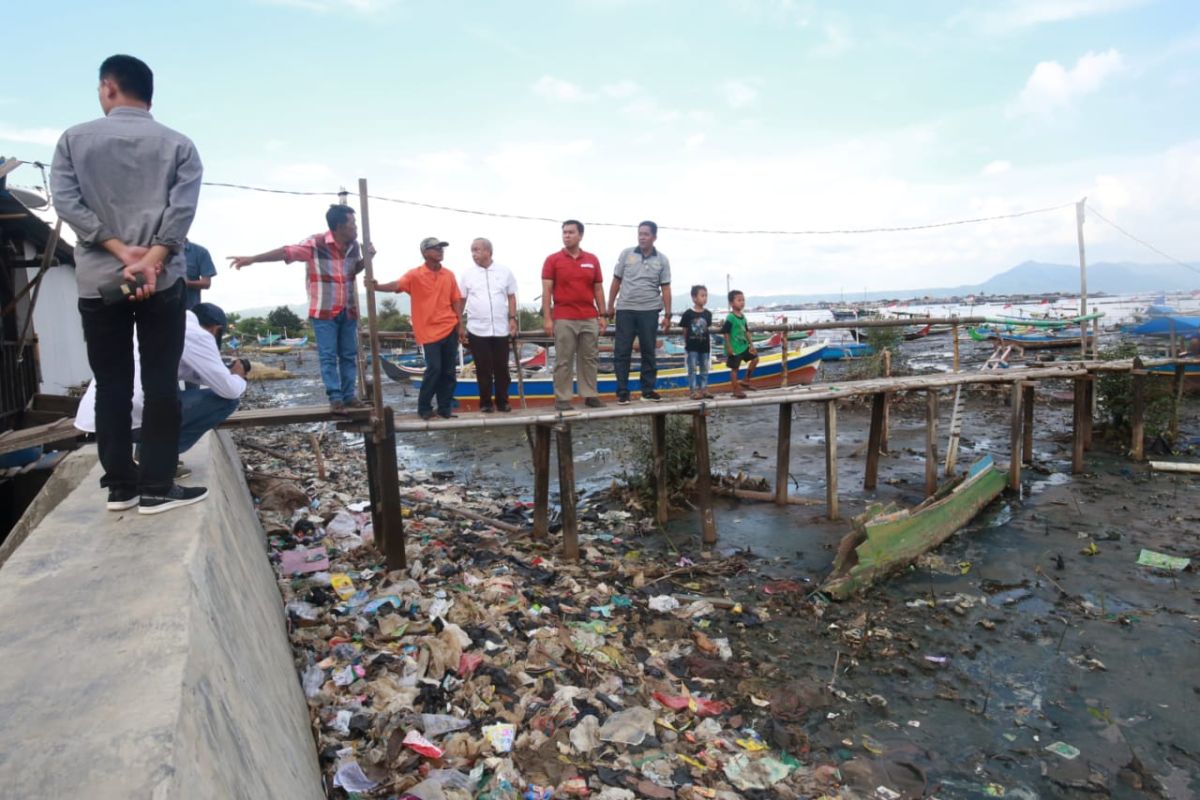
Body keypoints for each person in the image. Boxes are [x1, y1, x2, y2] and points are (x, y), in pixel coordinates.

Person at [51, 54, 207, 515]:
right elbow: (182, 211)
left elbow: (66, 202)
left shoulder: (73, 140)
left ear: (108, 87)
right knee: (161, 383)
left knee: (112, 383)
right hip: (162, 282)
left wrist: (121, 252)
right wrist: (153, 259)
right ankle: (158, 486)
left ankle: (121, 486)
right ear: (150, 95)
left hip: (99, 281)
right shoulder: (179, 145)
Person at [228, 204, 373, 415]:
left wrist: (367, 260)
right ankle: (336, 398)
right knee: (328, 355)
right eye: (353, 223)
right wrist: (253, 259)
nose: (356, 227)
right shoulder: (316, 243)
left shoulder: (354, 246)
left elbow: (353, 271)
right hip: (324, 310)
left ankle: (349, 396)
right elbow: (287, 252)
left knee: (349, 355)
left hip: (348, 308)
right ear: (340, 226)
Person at [75, 303, 247, 462]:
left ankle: (149, 453)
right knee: (228, 401)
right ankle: (159, 458)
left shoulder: (156, 323)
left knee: (168, 387)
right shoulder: (196, 333)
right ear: (216, 329)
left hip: (99, 421)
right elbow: (230, 390)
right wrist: (238, 375)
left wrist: (223, 372)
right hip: (132, 422)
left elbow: (190, 373)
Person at [375, 238, 464, 420]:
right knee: (434, 369)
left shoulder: (449, 275)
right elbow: (396, 285)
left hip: (449, 327)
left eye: (442, 248)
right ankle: (424, 408)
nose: (440, 251)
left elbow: (456, 299)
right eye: (436, 248)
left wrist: (460, 324)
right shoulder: (415, 275)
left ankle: (444, 408)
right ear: (425, 253)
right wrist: (376, 286)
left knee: (449, 371)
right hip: (429, 331)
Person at [542, 220, 607, 411]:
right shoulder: (552, 260)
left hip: (589, 316)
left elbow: (598, 289)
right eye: (564, 232)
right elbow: (546, 291)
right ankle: (562, 398)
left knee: (589, 357)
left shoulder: (592, 259)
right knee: (563, 358)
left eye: (571, 232)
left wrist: (603, 315)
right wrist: (547, 318)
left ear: (580, 235)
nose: (567, 236)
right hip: (564, 316)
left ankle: (590, 395)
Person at [608, 220, 671, 404]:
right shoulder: (627, 254)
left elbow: (666, 288)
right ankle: (622, 391)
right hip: (625, 309)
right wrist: (610, 306)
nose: (642, 237)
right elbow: (616, 281)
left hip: (650, 310)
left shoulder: (662, 259)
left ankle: (648, 390)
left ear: (654, 237)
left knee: (648, 352)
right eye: (640, 233)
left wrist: (667, 315)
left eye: (646, 234)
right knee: (622, 351)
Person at [458, 238, 518, 412]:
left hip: (500, 329)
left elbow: (511, 296)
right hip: (477, 329)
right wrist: (459, 324)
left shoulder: (505, 271)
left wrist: (512, 319)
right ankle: (485, 403)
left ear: (488, 251)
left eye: (477, 250)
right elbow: (461, 300)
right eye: (472, 250)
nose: (474, 254)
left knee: (502, 369)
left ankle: (502, 401)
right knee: (483, 370)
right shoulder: (467, 274)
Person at [678, 285, 714, 400]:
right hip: (692, 347)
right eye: (702, 295)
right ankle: (693, 390)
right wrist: (687, 342)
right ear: (694, 298)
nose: (705, 298)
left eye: (706, 296)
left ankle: (704, 389)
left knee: (704, 368)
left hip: (705, 346)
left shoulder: (708, 314)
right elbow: (685, 330)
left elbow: (707, 328)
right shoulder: (688, 314)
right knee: (692, 368)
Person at [721, 289, 758, 398]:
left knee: (755, 359)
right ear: (731, 303)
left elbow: (747, 331)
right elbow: (725, 332)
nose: (742, 302)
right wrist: (728, 347)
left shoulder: (743, 317)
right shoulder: (730, 317)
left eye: (743, 300)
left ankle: (746, 380)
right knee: (735, 369)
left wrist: (751, 344)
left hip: (744, 346)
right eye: (739, 300)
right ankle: (735, 389)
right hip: (734, 348)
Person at [183, 239, 216, 309]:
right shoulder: (156, 249)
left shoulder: (200, 252)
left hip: (188, 311)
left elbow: (206, 283)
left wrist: (183, 283)